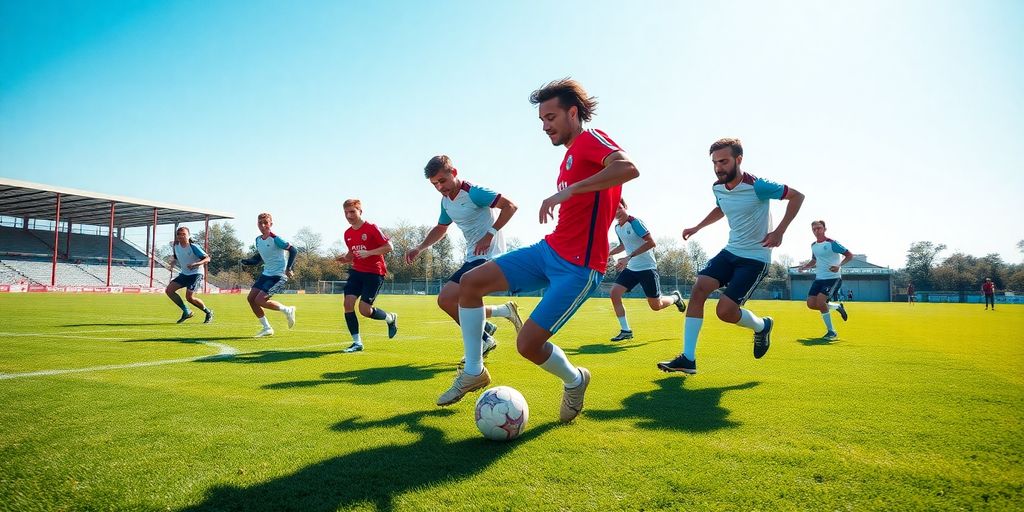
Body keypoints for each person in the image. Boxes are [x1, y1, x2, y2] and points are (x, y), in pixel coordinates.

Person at [435, 78, 638, 423]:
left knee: (528, 345)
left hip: (580, 268)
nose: (545, 126)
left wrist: (568, 192)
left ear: (573, 113)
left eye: (551, 117)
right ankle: (474, 370)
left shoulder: (591, 139)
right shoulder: (569, 157)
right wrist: (573, 190)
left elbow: (627, 168)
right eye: (541, 120)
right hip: (549, 251)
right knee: (469, 284)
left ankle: (575, 380)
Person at [658, 138, 804, 374]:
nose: (718, 167)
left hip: (755, 258)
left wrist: (779, 231)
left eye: (723, 161)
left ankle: (762, 326)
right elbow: (721, 208)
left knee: (725, 312)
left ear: (739, 159)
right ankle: (688, 359)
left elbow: (797, 196)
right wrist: (697, 227)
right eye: (715, 162)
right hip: (730, 251)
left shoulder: (758, 185)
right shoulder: (717, 187)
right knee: (699, 289)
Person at [406, 155, 524, 360]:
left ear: (454, 173)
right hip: (472, 257)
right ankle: (500, 315)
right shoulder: (446, 202)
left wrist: (490, 234)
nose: (440, 187)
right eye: (435, 184)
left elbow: (510, 206)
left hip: (489, 255)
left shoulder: (474, 192)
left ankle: (484, 340)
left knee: (446, 298)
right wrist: (420, 247)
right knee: (452, 301)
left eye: (443, 181)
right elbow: (442, 228)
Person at [607, 200, 685, 341]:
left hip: (647, 269)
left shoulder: (635, 222)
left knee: (656, 306)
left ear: (625, 207)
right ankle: (626, 330)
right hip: (631, 269)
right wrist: (609, 253)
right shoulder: (618, 228)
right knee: (614, 293)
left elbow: (651, 242)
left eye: (619, 208)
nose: (617, 212)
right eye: (613, 210)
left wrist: (628, 257)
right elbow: (623, 245)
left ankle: (675, 298)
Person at [336, 199, 398, 353]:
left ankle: (390, 318)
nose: (349, 215)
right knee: (347, 304)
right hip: (356, 271)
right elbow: (352, 253)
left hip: (374, 273)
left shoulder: (371, 228)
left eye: (352, 212)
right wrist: (345, 259)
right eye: (346, 212)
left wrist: (369, 253)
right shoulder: (347, 233)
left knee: (364, 310)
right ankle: (357, 343)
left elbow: (389, 247)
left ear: (360, 212)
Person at [240, 213, 297, 337]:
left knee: (260, 300)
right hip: (266, 274)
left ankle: (288, 310)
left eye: (266, 222)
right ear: (257, 224)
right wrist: (248, 261)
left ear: (271, 224)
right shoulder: (258, 240)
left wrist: (289, 268)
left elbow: (293, 250)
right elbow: (260, 257)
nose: (263, 225)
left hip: (279, 276)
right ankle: (267, 328)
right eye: (260, 223)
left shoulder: (275, 238)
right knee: (251, 299)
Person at [797, 220, 853, 340]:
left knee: (821, 302)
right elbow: (814, 260)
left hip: (833, 279)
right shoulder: (813, 245)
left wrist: (839, 265)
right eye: (814, 229)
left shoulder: (832, 243)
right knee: (811, 304)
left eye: (819, 228)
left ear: (824, 229)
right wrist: (805, 267)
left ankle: (831, 332)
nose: (817, 231)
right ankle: (837, 307)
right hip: (819, 279)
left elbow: (849, 255)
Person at [165, 226, 213, 323]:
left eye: (184, 234)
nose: (181, 236)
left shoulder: (193, 247)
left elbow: (207, 259)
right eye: (179, 234)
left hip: (196, 273)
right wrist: (172, 264)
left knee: (189, 297)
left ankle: (208, 312)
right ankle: (187, 311)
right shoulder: (175, 246)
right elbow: (176, 257)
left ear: (188, 236)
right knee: (169, 290)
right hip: (184, 274)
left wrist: (196, 264)